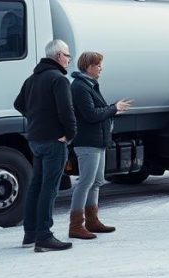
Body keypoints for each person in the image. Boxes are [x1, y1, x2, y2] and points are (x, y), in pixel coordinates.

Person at [14, 38, 77, 252]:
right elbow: (66, 111)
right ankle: (44, 236)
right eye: (67, 55)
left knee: (36, 186)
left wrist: (36, 121)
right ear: (59, 56)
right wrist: (69, 135)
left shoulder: (32, 79)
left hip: (35, 140)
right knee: (49, 189)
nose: (69, 60)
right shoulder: (58, 80)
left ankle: (30, 233)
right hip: (53, 141)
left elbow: (18, 103)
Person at [68, 51, 132, 240]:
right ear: (88, 67)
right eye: (98, 65)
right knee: (85, 183)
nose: (101, 68)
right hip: (88, 142)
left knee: (96, 182)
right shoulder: (80, 87)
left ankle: (92, 221)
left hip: (98, 141)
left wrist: (112, 109)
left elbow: (97, 111)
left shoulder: (90, 85)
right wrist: (114, 108)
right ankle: (75, 225)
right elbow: (91, 114)